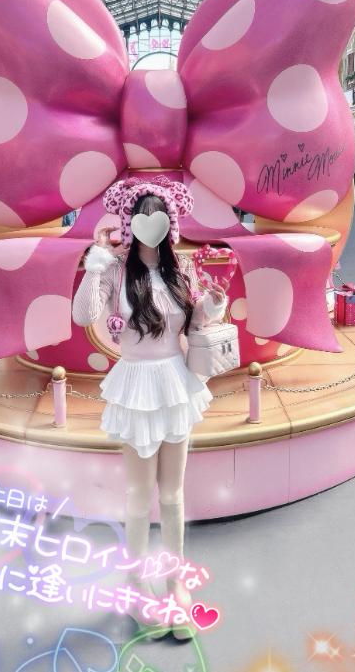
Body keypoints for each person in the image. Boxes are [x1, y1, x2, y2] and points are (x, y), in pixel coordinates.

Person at [72, 176, 228, 639]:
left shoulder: (181, 269)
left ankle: (176, 581)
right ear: (130, 222)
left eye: (159, 218)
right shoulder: (117, 270)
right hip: (136, 383)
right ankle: (137, 583)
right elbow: (83, 315)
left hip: (175, 381)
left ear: (170, 223)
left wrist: (211, 306)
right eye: (142, 218)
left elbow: (191, 324)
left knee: (173, 494)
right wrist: (96, 259)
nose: (151, 226)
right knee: (139, 495)